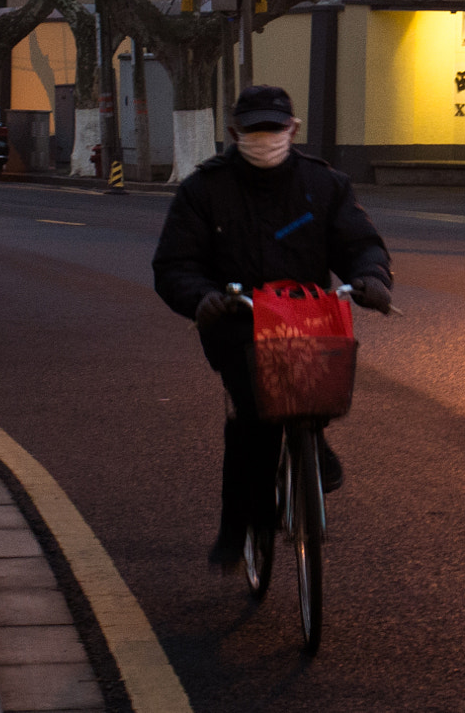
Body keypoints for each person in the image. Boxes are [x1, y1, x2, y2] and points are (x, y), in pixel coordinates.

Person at [151, 84, 394, 571]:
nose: (265, 138)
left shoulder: (324, 184)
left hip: (308, 317)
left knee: (323, 378)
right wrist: (202, 299)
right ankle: (239, 525)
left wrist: (371, 278)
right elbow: (175, 264)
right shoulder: (204, 189)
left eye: (274, 128)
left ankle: (314, 437)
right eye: (254, 129)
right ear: (234, 131)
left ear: (293, 130)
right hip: (236, 320)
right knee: (253, 415)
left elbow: (360, 243)